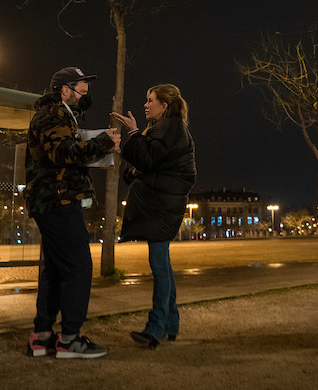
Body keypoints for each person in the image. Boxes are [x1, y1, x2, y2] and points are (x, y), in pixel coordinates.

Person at [24, 67, 120, 359]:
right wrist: (104, 142)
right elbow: (63, 153)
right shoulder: (51, 115)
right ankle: (70, 340)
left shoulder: (60, 115)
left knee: (54, 268)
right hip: (58, 201)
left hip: (54, 200)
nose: (86, 94)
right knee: (78, 266)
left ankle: (42, 337)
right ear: (64, 90)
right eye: (82, 89)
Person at [112, 84, 196, 348]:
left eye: (151, 100)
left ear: (164, 106)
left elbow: (147, 161)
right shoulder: (165, 128)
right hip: (162, 204)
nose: (146, 105)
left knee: (159, 265)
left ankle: (156, 327)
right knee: (163, 265)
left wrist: (134, 132)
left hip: (163, 206)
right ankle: (170, 323)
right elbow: (142, 165)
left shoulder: (170, 127)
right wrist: (131, 146)